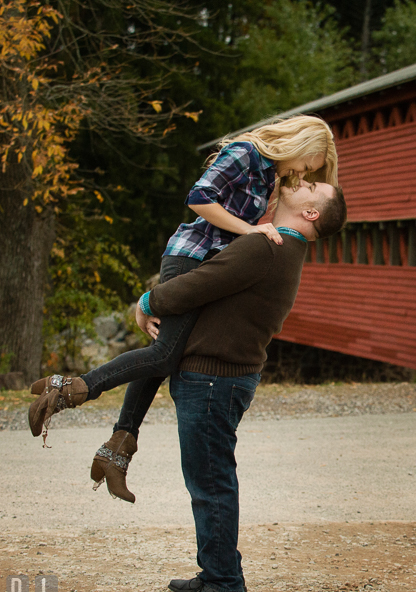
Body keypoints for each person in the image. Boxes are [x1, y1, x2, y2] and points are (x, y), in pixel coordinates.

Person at [27, 115, 339, 503]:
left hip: (207, 261)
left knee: (164, 358)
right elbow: (198, 196)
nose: (301, 172)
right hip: (190, 256)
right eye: (307, 164)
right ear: (300, 143)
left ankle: (117, 449)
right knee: (163, 354)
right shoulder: (248, 153)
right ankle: (72, 388)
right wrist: (251, 230)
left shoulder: (268, 172)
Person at [146, 178, 345, 592]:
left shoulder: (265, 246)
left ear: (311, 213)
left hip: (214, 377)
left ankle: (223, 585)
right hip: (223, 376)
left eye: (313, 185)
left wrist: (147, 301)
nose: (302, 180)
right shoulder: (281, 247)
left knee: (210, 481)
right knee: (210, 478)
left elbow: (198, 284)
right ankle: (217, 568)